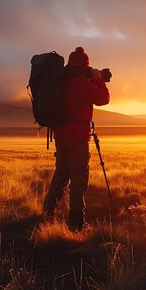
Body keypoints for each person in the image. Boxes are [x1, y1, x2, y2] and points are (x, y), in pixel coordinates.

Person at [43, 47, 110, 231]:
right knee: (78, 180)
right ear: (85, 66)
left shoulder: (62, 80)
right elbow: (104, 98)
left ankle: (47, 212)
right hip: (77, 138)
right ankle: (76, 224)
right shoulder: (79, 83)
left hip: (61, 135)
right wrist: (97, 79)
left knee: (61, 176)